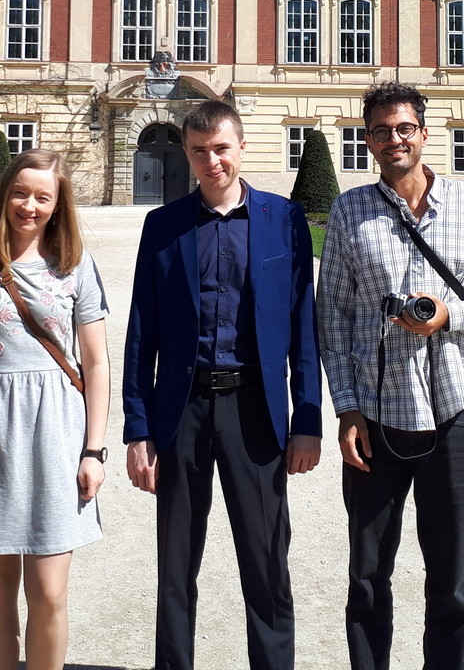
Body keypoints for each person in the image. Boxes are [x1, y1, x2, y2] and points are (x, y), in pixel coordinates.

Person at [317, 83, 464, 670]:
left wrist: (452, 316)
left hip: (452, 415)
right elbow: (332, 315)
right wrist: (347, 408)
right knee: (367, 578)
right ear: (368, 140)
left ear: (423, 133)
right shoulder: (349, 211)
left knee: (450, 581)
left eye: (404, 128)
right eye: (381, 131)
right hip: (376, 419)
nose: (394, 139)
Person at [123, 99, 321, 670]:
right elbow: (141, 331)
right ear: (188, 155)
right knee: (176, 564)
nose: (212, 162)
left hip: (255, 407)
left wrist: (307, 420)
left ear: (241, 147)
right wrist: (138, 430)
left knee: (266, 559)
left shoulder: (284, 219)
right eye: (199, 152)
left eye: (221, 149)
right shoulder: (163, 225)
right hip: (180, 409)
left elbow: (302, 326)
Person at [0, 149, 111, 670]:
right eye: (20, 193)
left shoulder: (74, 265)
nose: (29, 206)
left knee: (49, 590)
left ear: (57, 205)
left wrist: (94, 450)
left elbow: (96, 363)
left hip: (56, 426)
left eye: (42, 197)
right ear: (4, 196)